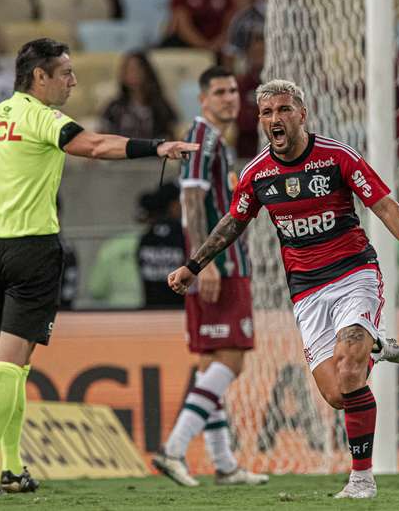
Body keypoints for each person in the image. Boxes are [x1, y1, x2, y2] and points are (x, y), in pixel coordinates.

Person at [0, 38, 197, 495]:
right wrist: (157, 146)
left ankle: (11, 467)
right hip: (32, 252)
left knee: (19, 363)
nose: (73, 81)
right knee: (7, 366)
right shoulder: (43, 119)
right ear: (40, 78)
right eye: (66, 73)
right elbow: (94, 146)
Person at [166, 79, 399, 499]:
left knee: (349, 367)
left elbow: (383, 203)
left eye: (282, 110)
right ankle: (375, 345)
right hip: (307, 291)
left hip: (354, 274)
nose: (275, 119)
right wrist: (193, 264)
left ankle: (362, 479)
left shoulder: (337, 157)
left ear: (302, 114)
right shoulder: (258, 173)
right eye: (266, 113)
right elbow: (233, 222)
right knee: (337, 394)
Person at [152, 66, 267, 486]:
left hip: (219, 260)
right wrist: (207, 262)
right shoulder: (202, 137)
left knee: (210, 362)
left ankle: (223, 463)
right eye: (219, 91)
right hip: (224, 262)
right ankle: (174, 449)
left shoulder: (212, 138)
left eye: (234, 90)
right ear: (202, 99)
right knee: (232, 358)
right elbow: (191, 200)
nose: (229, 98)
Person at [100, 51, 178, 140]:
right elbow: (103, 137)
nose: (131, 73)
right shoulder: (114, 107)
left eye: (136, 68)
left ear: (146, 71)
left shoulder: (160, 106)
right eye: (127, 69)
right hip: (121, 152)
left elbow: (170, 137)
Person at [137, 183, 186, 309]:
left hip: (151, 308)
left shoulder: (146, 236)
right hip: (178, 309)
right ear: (173, 204)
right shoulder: (181, 234)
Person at [160, 0, 237, 58]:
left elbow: (230, 20)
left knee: (230, 50)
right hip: (189, 47)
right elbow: (181, 23)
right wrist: (204, 46)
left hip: (218, 48)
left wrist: (218, 43)